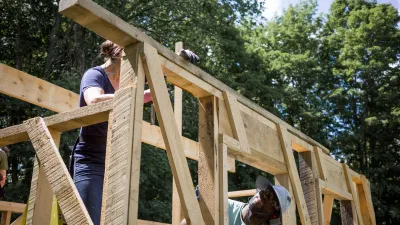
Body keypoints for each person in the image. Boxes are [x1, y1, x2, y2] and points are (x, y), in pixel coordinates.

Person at [72, 40, 199, 225]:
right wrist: (136, 93)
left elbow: (158, 72)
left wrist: (179, 60)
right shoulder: (95, 75)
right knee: (90, 221)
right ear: (119, 54)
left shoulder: (129, 78)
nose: (139, 65)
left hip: (116, 161)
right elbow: (94, 100)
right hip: (91, 161)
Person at [180, 176, 291, 225]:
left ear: (273, 216)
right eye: (267, 191)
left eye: (273, 200)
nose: (264, 196)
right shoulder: (221, 206)